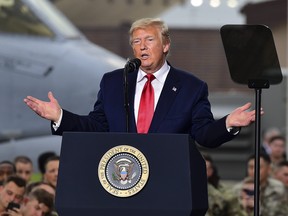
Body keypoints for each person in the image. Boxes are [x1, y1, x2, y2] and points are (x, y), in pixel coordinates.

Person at [23, 17, 260, 148]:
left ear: (166, 45)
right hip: (121, 176)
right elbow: (98, 126)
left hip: (166, 180)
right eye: (136, 41)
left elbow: (203, 135)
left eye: (149, 39)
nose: (142, 46)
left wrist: (228, 123)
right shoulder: (114, 81)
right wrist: (60, 117)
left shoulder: (191, 87)